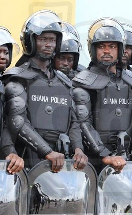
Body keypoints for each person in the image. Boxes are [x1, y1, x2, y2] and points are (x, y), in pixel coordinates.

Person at [2, 10, 88, 172]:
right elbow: (17, 121)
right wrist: (47, 152)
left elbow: (74, 121)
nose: (48, 44)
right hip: (26, 162)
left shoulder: (64, 82)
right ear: (31, 41)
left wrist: (78, 149)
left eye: (52, 40)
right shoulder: (18, 77)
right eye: (43, 39)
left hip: (62, 162)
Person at [72, 17, 132, 173]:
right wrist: (105, 155)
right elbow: (84, 123)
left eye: (111, 46)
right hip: (94, 164)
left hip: (127, 162)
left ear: (120, 49)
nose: (106, 51)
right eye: (101, 46)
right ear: (93, 49)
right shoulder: (83, 81)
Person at [0, 26, 24, 174]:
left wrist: (11, 151)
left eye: (5, 52)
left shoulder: (7, 84)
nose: (2, 56)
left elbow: (4, 126)